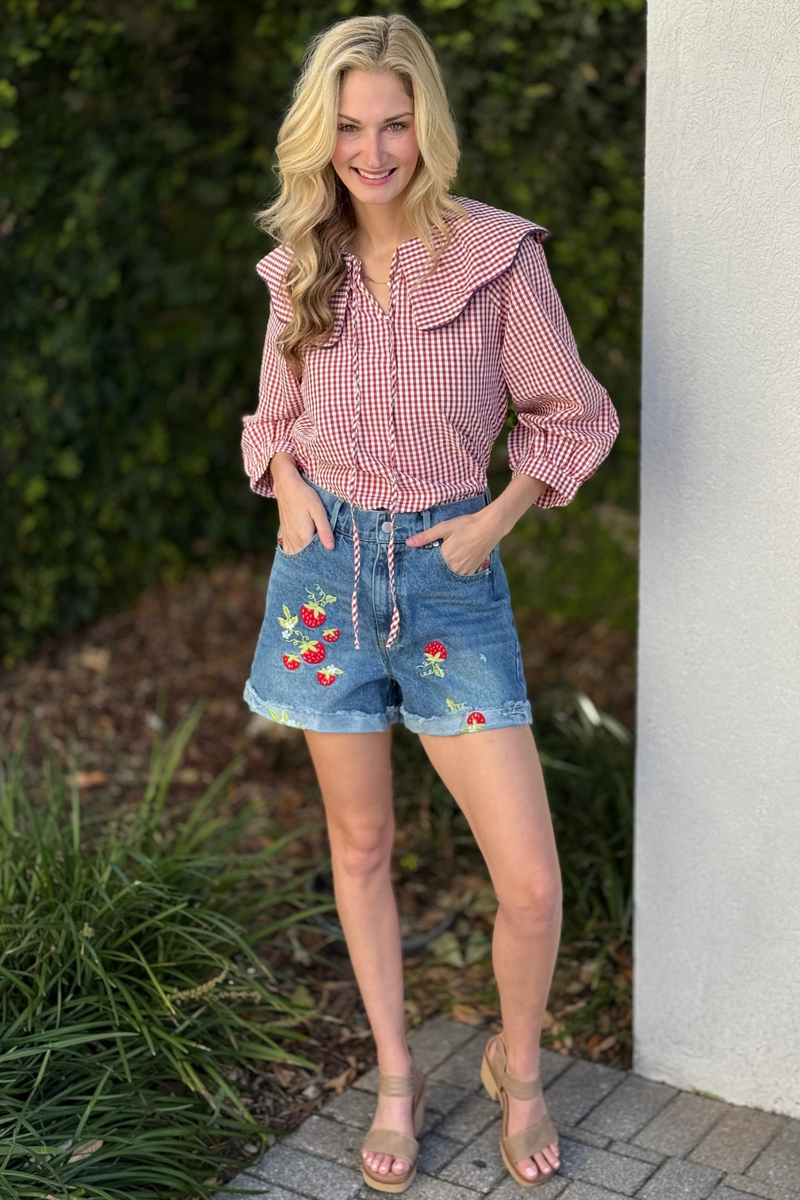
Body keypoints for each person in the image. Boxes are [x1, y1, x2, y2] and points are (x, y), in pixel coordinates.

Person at [241, 13, 618, 1192]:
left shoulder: (498, 256)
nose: (372, 148)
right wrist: (289, 488)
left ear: (427, 124)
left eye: (394, 121)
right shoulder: (299, 258)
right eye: (349, 125)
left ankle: (518, 1065)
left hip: (447, 580)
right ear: (324, 134)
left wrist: (496, 520)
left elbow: (574, 415)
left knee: (529, 881)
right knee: (359, 844)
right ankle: (396, 1075)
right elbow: (268, 416)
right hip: (321, 581)